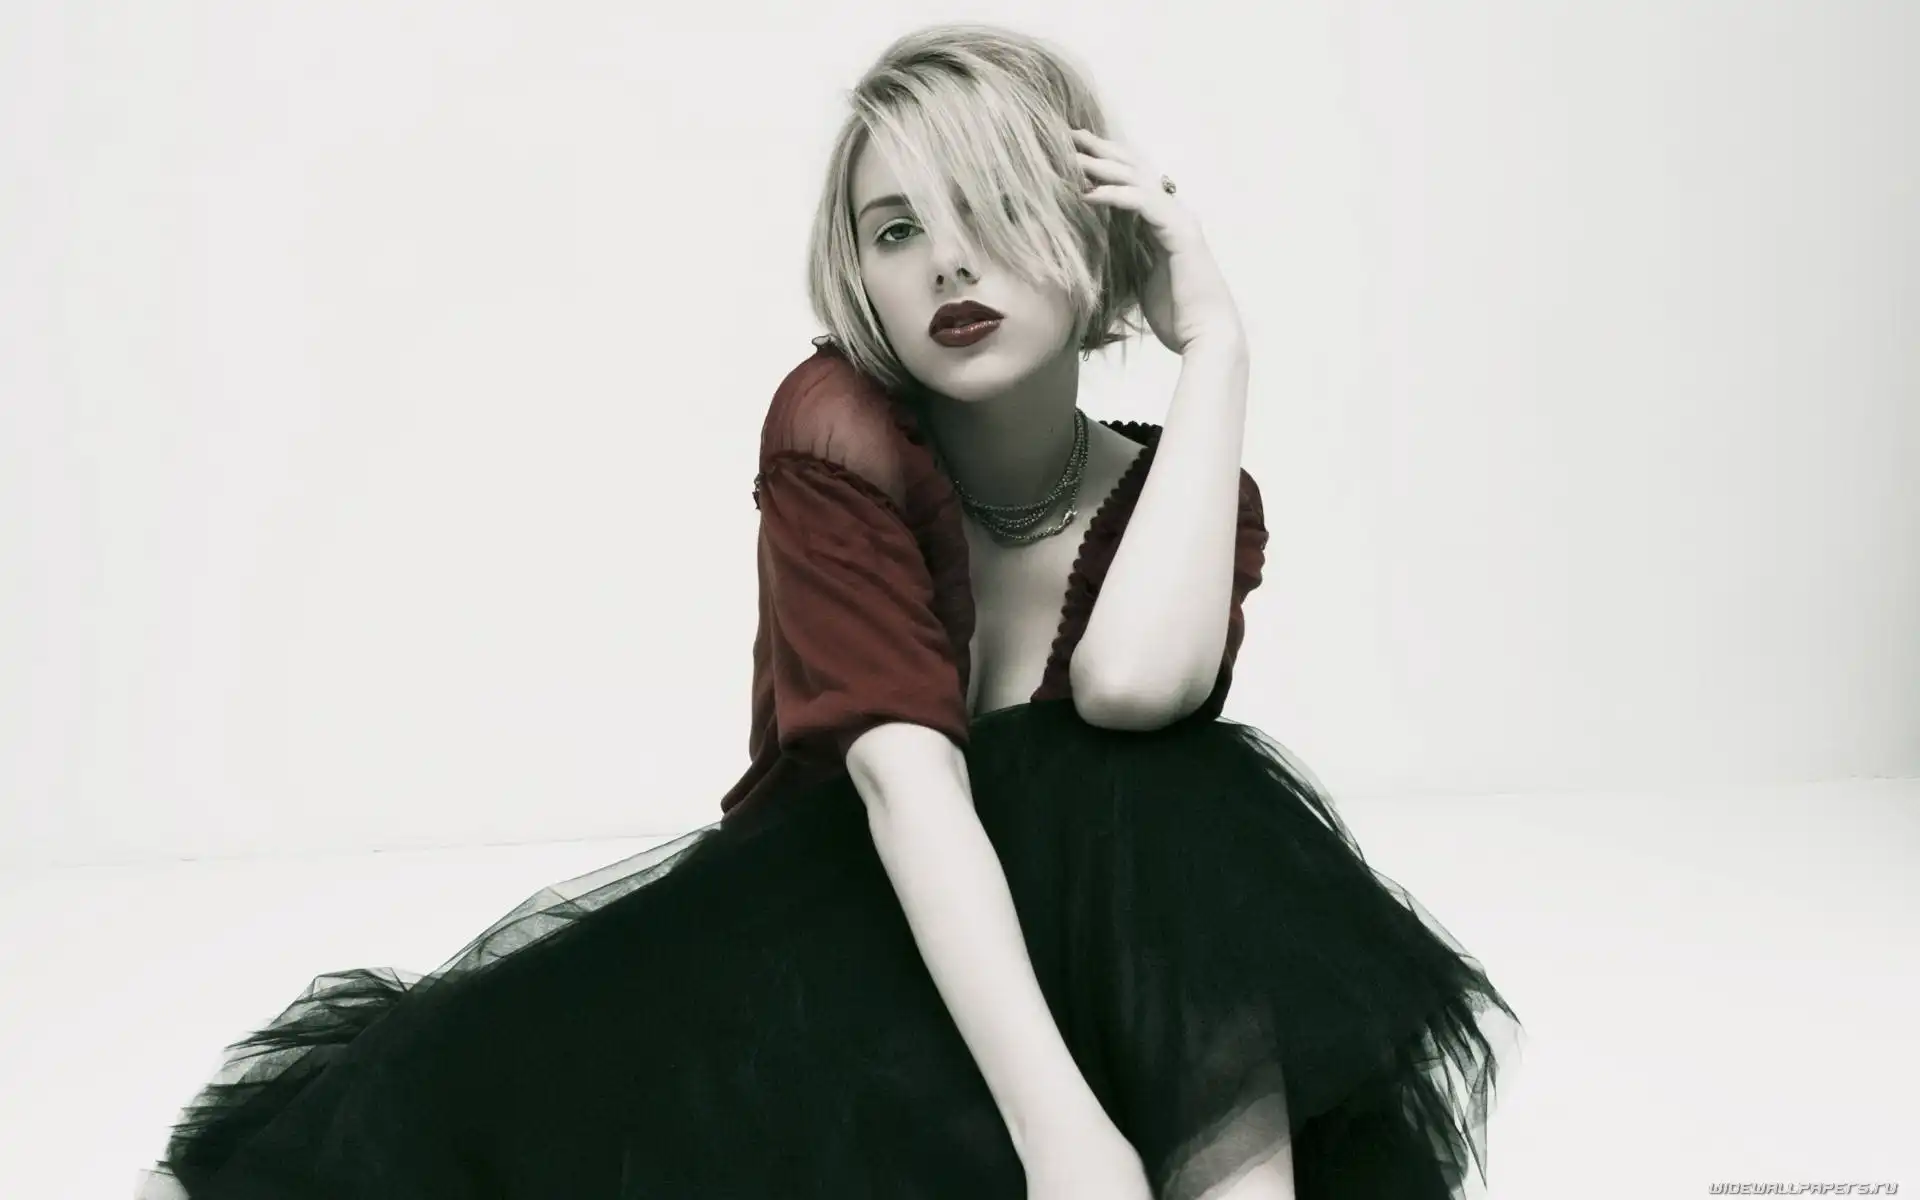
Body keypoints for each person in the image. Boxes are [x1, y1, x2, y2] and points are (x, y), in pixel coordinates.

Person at [148, 22, 1520, 1200]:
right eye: (896, 231)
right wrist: (1065, 1141)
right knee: (456, 1133)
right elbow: (905, 790)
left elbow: (1133, 692)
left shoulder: (1188, 496)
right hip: (835, 943)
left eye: (990, 207)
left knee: (1177, 785)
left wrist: (1216, 345)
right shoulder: (837, 430)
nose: (946, 265)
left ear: (1091, 227)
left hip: (1089, 977)